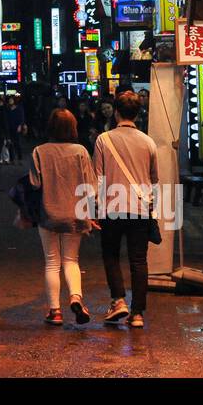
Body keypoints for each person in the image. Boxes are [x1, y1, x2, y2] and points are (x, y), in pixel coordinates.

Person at [93, 91, 159, 329]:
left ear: (116, 112)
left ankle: (118, 300)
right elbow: (154, 180)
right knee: (139, 260)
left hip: (111, 207)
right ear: (138, 114)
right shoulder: (148, 142)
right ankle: (137, 313)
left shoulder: (103, 140)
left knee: (111, 254)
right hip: (139, 208)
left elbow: (99, 179)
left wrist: (95, 208)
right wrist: (152, 208)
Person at [28, 109, 98, 327]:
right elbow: (91, 187)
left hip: (48, 213)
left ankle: (55, 311)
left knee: (52, 262)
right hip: (75, 214)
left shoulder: (39, 151)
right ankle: (76, 297)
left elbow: (34, 184)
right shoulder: (80, 151)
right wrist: (91, 215)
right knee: (71, 260)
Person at [5, 94, 27, 162]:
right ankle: (12, 158)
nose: (10, 101)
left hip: (17, 128)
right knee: (10, 143)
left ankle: (20, 157)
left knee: (18, 143)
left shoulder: (19, 108)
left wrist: (20, 125)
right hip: (9, 128)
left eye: (11, 100)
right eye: (9, 100)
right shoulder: (7, 109)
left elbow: (22, 118)